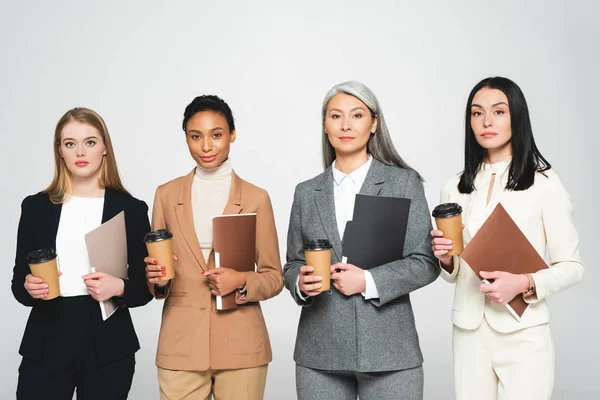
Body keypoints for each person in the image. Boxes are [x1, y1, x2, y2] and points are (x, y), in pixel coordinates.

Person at [283, 81, 439, 400]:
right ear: (325, 126)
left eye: (357, 115)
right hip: (320, 354)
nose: (346, 125)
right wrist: (300, 282)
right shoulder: (306, 192)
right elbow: (292, 262)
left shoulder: (403, 183)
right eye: (336, 116)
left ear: (374, 124)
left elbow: (425, 262)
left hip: (390, 352)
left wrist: (368, 281)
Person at [432, 76, 584, 400]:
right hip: (468, 330)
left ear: (517, 117)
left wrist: (524, 283)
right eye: (477, 113)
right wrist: (446, 259)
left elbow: (572, 266)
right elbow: (456, 271)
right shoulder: (454, 186)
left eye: (498, 112)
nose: (487, 121)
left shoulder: (544, 184)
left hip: (523, 332)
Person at [145, 95, 283, 400]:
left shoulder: (256, 197)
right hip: (180, 344)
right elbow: (159, 275)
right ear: (186, 139)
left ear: (232, 134)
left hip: (242, 344)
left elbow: (275, 277)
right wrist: (156, 280)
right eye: (196, 136)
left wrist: (242, 280)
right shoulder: (166, 195)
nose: (206, 146)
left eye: (216, 135)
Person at [11, 107, 153, 399]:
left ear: (104, 148)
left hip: (109, 344)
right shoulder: (36, 207)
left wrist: (119, 286)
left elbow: (146, 289)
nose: (80, 151)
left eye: (90, 141)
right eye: (70, 143)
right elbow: (18, 285)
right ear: (60, 151)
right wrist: (29, 287)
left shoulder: (131, 209)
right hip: (47, 338)